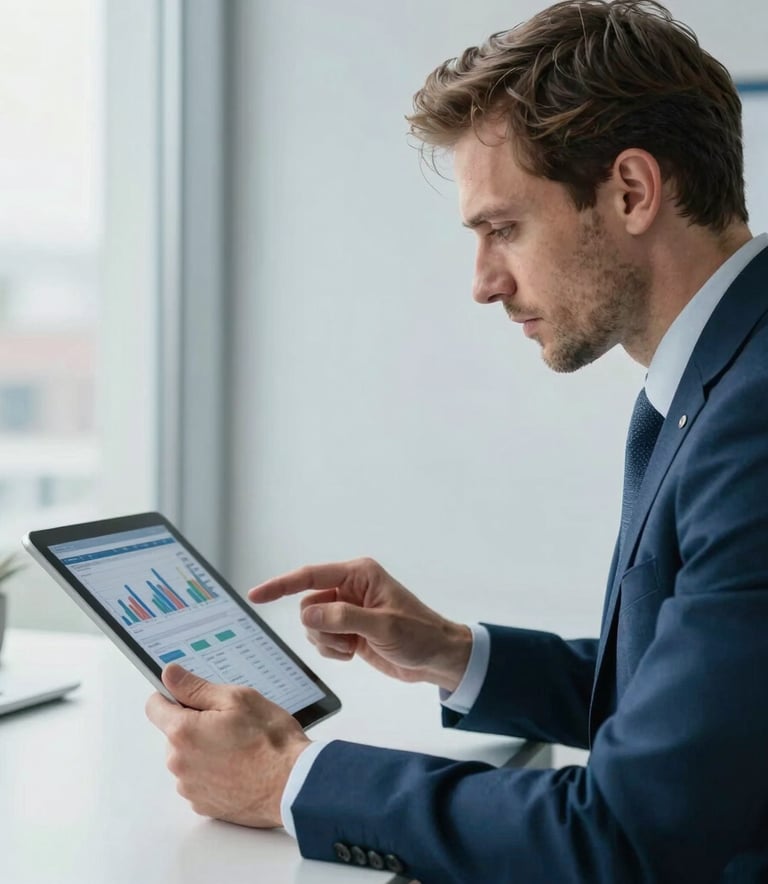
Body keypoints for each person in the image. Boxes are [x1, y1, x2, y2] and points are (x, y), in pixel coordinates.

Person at [145, 1, 768, 880]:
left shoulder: (753, 417)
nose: (483, 284)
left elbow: (630, 832)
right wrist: (453, 653)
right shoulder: (729, 372)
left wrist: (288, 781)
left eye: (503, 228)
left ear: (632, 192)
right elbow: (708, 707)